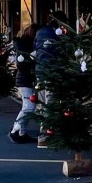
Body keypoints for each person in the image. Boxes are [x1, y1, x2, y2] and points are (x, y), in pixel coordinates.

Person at [33, 15, 62, 148]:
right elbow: (60, 51)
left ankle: (44, 134)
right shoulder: (57, 34)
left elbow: (35, 48)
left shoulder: (39, 32)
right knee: (50, 104)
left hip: (40, 71)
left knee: (43, 104)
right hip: (51, 72)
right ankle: (45, 136)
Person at [9, 24, 38, 144]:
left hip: (24, 79)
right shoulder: (25, 47)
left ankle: (22, 132)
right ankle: (15, 130)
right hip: (25, 80)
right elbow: (22, 64)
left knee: (28, 106)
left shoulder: (22, 45)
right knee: (29, 107)